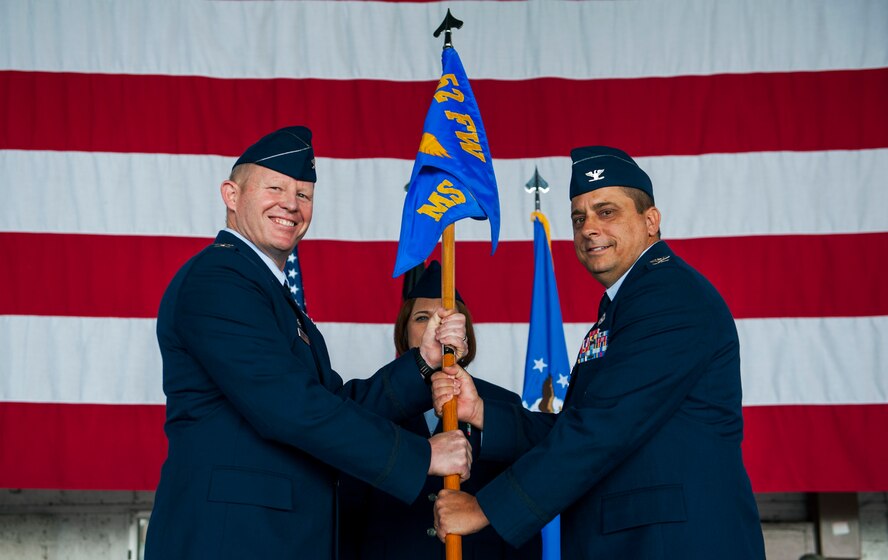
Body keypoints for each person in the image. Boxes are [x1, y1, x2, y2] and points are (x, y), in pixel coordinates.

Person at [144, 126, 473, 560]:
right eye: (275, 188)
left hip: (274, 538)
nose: (291, 205)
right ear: (231, 194)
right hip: (232, 539)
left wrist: (424, 360)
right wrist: (421, 456)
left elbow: (330, 403)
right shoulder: (218, 280)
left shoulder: (267, 290)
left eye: (304, 194)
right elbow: (291, 408)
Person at [431, 146, 766, 559]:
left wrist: (484, 508)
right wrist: (480, 411)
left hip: (668, 545)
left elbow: (604, 428)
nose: (589, 227)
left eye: (606, 211)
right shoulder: (626, 303)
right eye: (579, 217)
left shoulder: (670, 295)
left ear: (650, 221)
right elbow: (581, 425)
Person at [338, 261, 542, 559]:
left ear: (465, 334)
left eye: (448, 319)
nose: (437, 327)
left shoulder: (500, 404)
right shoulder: (376, 404)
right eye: (422, 318)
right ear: (404, 333)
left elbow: (523, 504)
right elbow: (351, 510)